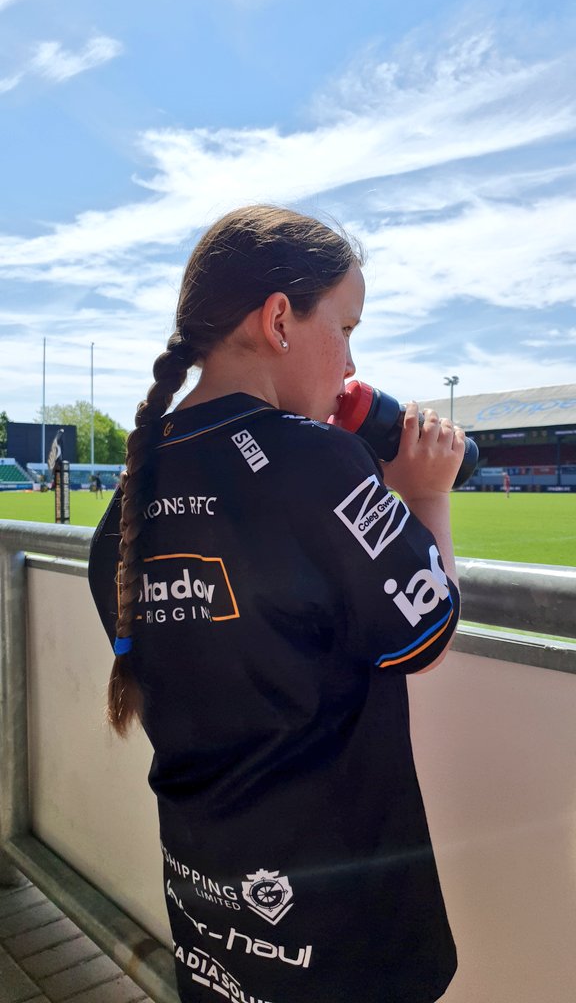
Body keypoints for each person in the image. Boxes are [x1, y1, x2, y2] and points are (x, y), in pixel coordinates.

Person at [89, 205, 465, 1003]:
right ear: (279, 320)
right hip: (343, 925)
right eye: (348, 327)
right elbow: (426, 627)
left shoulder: (127, 500)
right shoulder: (315, 460)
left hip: (210, 905)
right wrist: (426, 495)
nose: (351, 362)